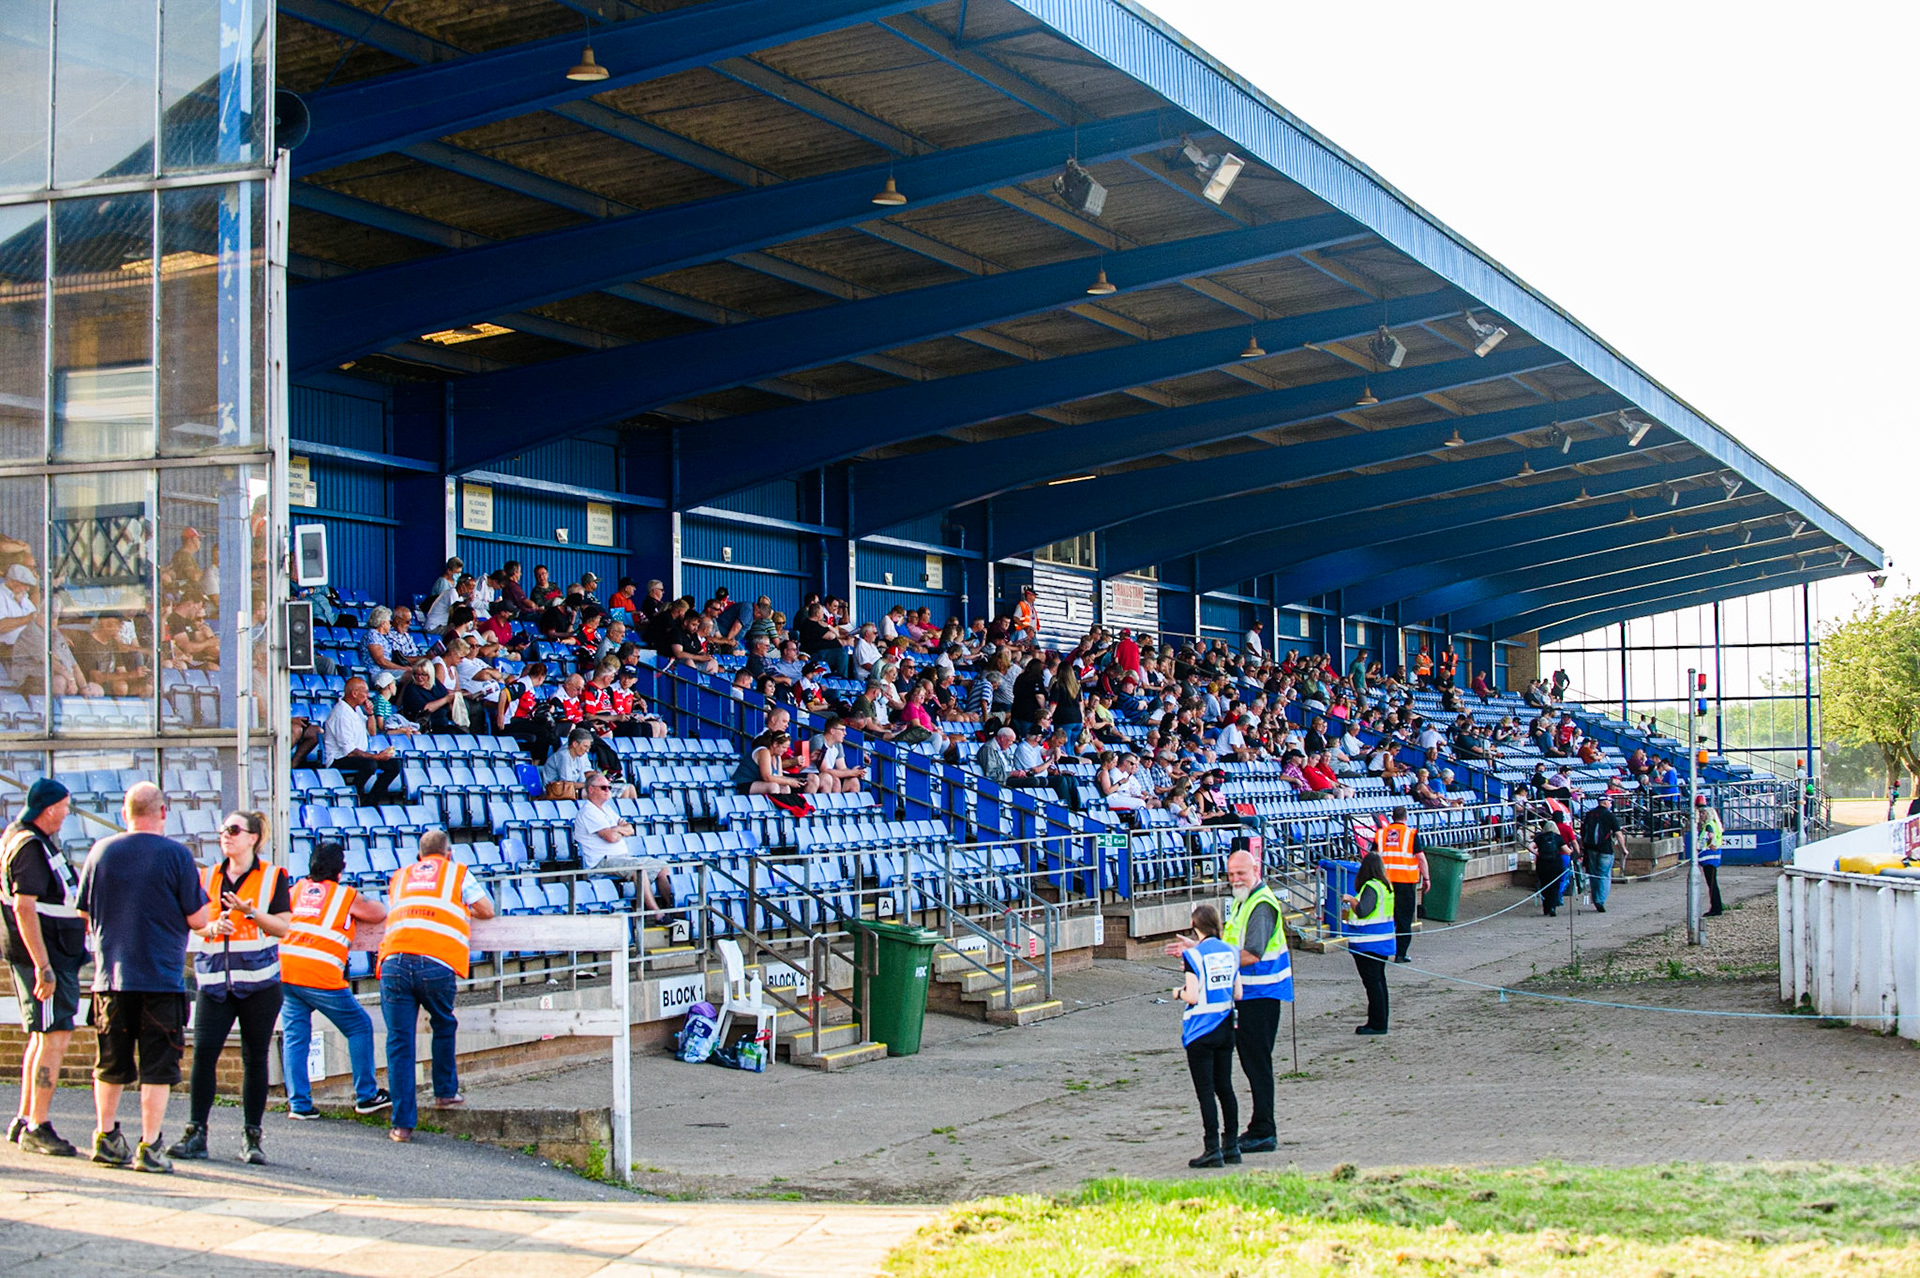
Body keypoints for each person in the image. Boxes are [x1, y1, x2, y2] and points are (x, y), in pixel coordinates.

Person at [75, 782, 212, 1173]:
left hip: (110, 979)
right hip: (160, 978)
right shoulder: (176, 856)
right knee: (157, 1066)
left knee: (110, 1063)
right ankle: (149, 1145)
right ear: (163, 812)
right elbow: (198, 919)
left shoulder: (100, 852)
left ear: (124, 812)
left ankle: (106, 1136)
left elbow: (84, 913)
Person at [171, 810, 291, 1166]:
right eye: (223, 829)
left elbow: (283, 928)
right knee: (204, 1054)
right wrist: (212, 928)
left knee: (255, 1057)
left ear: (253, 837)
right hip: (214, 983)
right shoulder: (207, 876)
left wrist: (250, 912)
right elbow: (197, 925)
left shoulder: (273, 877)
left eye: (234, 830)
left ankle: (252, 1137)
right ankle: (196, 1133)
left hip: (259, 983)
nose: (226, 835)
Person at [377, 830, 495, 1143]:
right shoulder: (457, 873)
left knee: (400, 1043)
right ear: (449, 853)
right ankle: (445, 1092)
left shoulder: (400, 876)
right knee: (443, 1023)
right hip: (436, 962)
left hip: (394, 961)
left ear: (419, 856)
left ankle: (402, 1125)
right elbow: (487, 910)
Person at [279, 841, 391, 1121]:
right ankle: (366, 1095)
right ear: (340, 871)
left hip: (286, 970)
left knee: (295, 1037)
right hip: (319, 972)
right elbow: (378, 912)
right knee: (359, 1026)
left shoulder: (297, 890)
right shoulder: (345, 896)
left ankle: (299, 1103)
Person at [3, 780, 84, 1155]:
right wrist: (44, 967)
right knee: (54, 1036)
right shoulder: (28, 846)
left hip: (57, 951)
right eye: (65, 807)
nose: (67, 814)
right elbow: (24, 906)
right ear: (49, 809)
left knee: (43, 1036)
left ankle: (25, 1118)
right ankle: (38, 1124)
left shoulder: (27, 838)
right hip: (48, 955)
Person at [1203, 849, 1290, 1154]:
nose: (1235, 879)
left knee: (1258, 1065)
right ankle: (1260, 1126)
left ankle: (1264, 1129)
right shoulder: (1245, 902)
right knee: (1254, 1064)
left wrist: (1208, 960)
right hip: (1250, 995)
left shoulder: (1261, 904)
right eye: (1230, 875)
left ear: (1256, 869)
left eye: (1241, 873)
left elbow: (1252, 953)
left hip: (1261, 995)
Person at [1172, 903, 1241, 1169]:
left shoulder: (1194, 956)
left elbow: (1192, 995)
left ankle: (1212, 1149)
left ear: (1195, 927)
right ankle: (1231, 1146)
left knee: (1205, 1093)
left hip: (1200, 1030)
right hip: (1225, 1026)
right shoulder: (1232, 952)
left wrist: (1176, 993)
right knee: (1226, 1088)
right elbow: (1238, 994)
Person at [573, 772, 672, 911]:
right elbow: (611, 837)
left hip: (622, 858)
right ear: (591, 789)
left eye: (609, 787)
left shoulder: (607, 809)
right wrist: (619, 830)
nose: (608, 790)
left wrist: (616, 829)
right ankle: (657, 914)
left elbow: (630, 829)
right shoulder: (588, 812)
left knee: (662, 866)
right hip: (601, 862)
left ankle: (672, 910)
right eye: (604, 788)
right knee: (639, 869)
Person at [322, 677, 401, 802]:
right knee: (370, 764)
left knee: (394, 765)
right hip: (339, 757)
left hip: (357, 755)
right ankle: (354, 795)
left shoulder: (357, 709)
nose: (368, 695)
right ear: (354, 693)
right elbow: (350, 751)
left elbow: (372, 732)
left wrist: (370, 714)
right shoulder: (341, 713)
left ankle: (372, 800)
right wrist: (375, 757)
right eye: (365, 692)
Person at [1341, 851, 1395, 1035]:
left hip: (1369, 944)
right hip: (1382, 942)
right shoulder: (1385, 886)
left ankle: (1377, 1023)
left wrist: (1351, 900)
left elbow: (1363, 911)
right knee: (1379, 982)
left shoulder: (1371, 887)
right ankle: (1380, 1020)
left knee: (1373, 985)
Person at [1374, 807, 1427, 964]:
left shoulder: (1381, 833)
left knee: (1384, 918)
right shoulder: (1411, 834)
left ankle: (1381, 952)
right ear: (1406, 817)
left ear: (1392, 817)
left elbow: (1372, 857)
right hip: (1406, 882)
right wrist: (1427, 878)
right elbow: (1421, 858)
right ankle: (1400, 954)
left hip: (1384, 883)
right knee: (1404, 919)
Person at [1579, 796, 1626, 913]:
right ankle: (1600, 900)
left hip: (1590, 849)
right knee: (1604, 875)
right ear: (1605, 803)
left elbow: (1583, 831)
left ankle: (1595, 899)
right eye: (1610, 802)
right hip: (1605, 849)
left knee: (1594, 875)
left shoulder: (1589, 814)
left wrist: (1581, 847)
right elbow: (1618, 834)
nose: (1610, 804)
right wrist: (1623, 848)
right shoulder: (1609, 815)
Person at [1533, 818, 1568, 917]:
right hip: (1555, 864)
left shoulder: (1540, 837)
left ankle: (1546, 907)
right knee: (1554, 886)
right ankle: (1553, 906)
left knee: (1544, 885)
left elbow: (1530, 846)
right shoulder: (1557, 838)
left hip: (1542, 864)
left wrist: (1536, 853)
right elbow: (1567, 851)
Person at [1696, 801, 1725, 917]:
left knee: (1712, 884)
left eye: (1703, 813)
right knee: (1713, 884)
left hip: (1709, 858)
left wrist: (1703, 846)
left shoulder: (1709, 825)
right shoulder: (1715, 824)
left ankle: (1716, 908)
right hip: (1714, 857)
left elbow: (1710, 838)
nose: (1701, 816)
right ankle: (1717, 906)